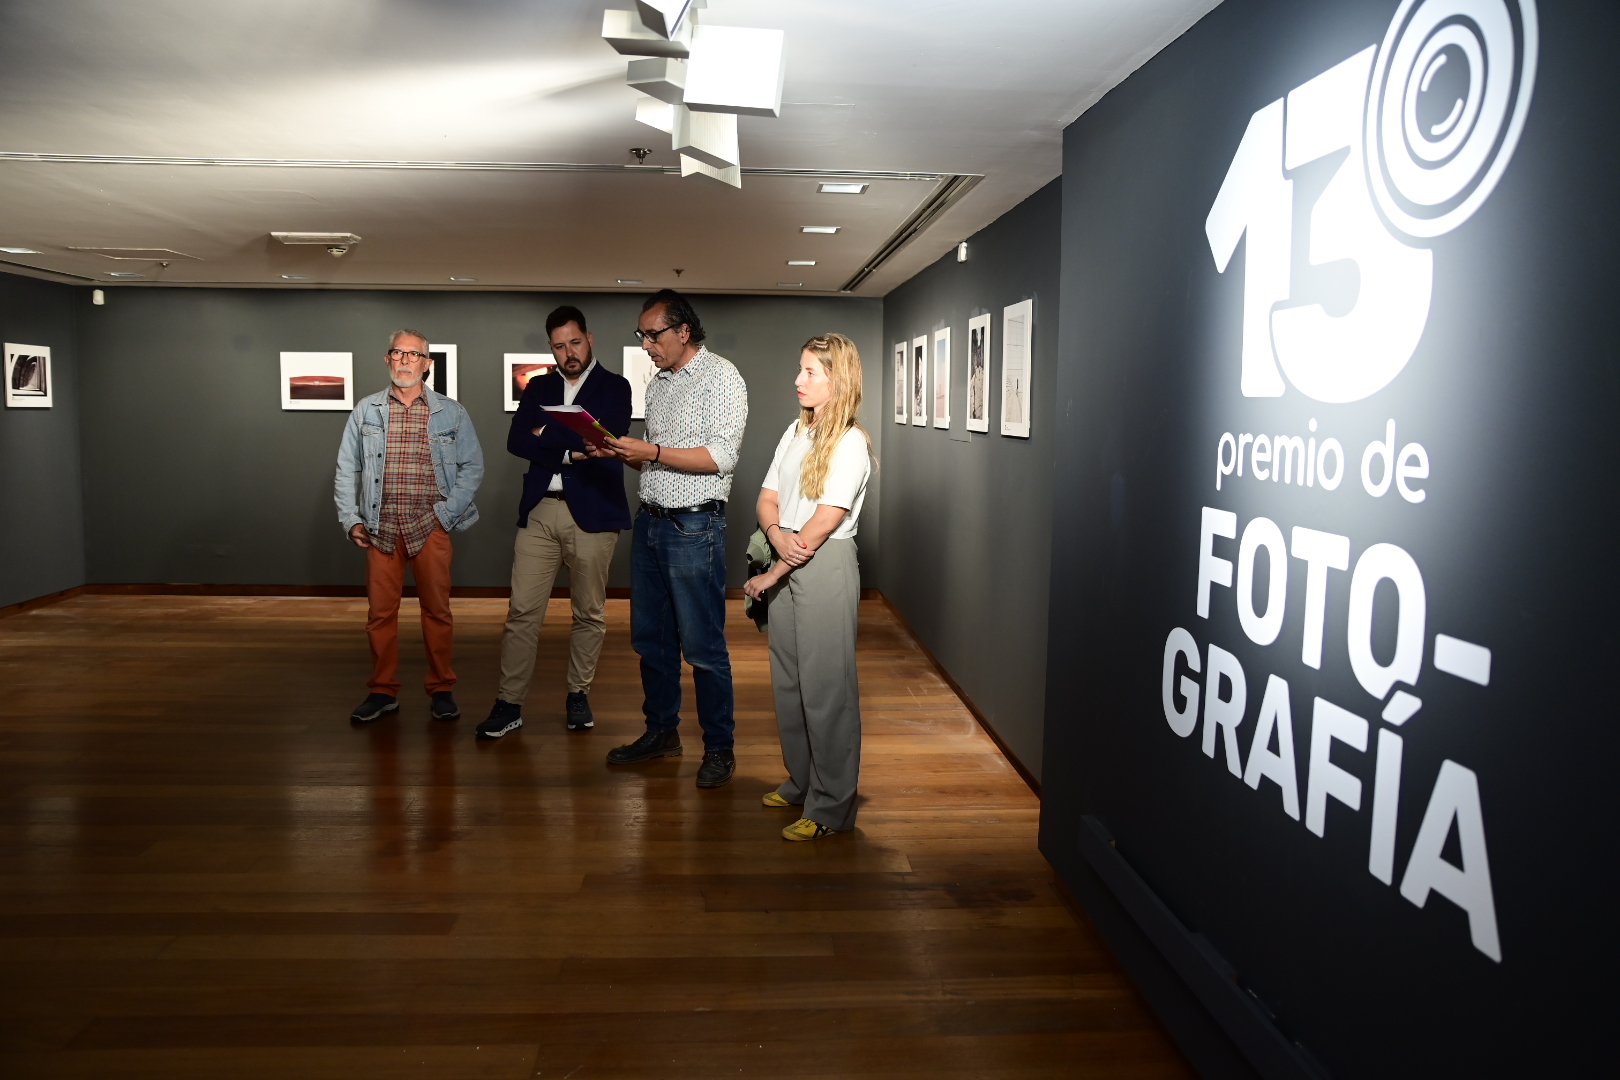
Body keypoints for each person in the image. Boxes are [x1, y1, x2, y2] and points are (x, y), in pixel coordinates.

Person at [594, 290, 747, 788]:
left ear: (683, 331)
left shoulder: (722, 376)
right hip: (651, 523)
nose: (646, 345)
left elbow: (720, 457)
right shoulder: (658, 383)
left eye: (653, 335)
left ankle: (719, 747)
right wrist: (624, 453)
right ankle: (662, 733)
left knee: (703, 646)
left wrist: (652, 451)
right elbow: (657, 460)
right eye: (641, 336)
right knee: (651, 641)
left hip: (695, 529)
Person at [478, 306, 632, 739]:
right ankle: (509, 703)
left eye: (575, 343)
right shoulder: (539, 386)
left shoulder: (616, 386)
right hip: (540, 510)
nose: (570, 353)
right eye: (560, 346)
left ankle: (578, 694)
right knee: (522, 612)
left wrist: (545, 432)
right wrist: (569, 447)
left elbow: (605, 440)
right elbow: (515, 440)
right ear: (551, 348)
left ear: (590, 338)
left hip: (594, 512)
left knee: (589, 612)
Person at [743, 333, 873, 840]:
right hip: (789, 552)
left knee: (827, 690)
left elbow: (824, 521)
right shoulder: (796, 430)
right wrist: (776, 534)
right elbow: (767, 497)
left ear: (837, 381)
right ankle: (802, 781)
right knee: (790, 684)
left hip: (823, 564)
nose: (798, 380)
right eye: (800, 369)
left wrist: (773, 570)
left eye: (810, 372)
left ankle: (831, 807)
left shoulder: (851, 442)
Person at [335, 329, 484, 724]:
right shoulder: (366, 410)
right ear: (387, 359)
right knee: (380, 615)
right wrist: (350, 518)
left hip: (429, 526)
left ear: (427, 363)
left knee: (437, 611)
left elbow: (472, 467)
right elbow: (347, 468)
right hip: (380, 527)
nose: (404, 360)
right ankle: (382, 691)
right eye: (397, 353)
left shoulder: (451, 412)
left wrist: (445, 514)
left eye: (413, 354)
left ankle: (442, 688)